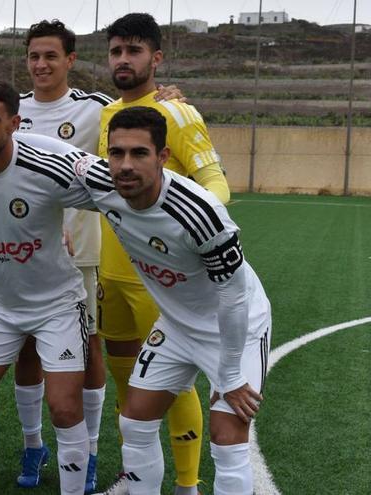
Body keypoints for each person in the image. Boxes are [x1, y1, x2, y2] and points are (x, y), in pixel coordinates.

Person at [78, 105, 270, 495]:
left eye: (139, 153)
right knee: (134, 423)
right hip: (176, 326)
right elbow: (53, 157)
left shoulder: (200, 213)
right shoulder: (102, 183)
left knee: (228, 438)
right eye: (116, 153)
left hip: (235, 326)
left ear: (163, 157)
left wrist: (230, 374)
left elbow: (233, 298)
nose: (125, 165)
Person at [94, 13, 230, 495]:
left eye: (134, 51)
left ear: (156, 57)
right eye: (115, 51)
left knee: (173, 384)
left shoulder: (178, 113)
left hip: (162, 276)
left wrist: (192, 226)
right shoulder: (107, 114)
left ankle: (188, 484)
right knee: (128, 380)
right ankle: (137, 474)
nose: (123, 60)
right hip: (112, 271)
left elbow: (216, 183)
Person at [0, 79, 93, 495]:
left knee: (63, 407)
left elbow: (107, 195)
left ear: (14, 124)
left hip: (57, 304)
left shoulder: (44, 168)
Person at [12, 20, 112, 491]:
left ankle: (89, 451)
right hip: (22, 254)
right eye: (34, 55)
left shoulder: (95, 109)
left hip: (82, 256)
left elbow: (143, 112)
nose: (41, 64)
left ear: (70, 60)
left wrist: (169, 100)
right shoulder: (12, 111)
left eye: (51, 56)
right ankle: (34, 445)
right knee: (27, 348)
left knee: (91, 348)